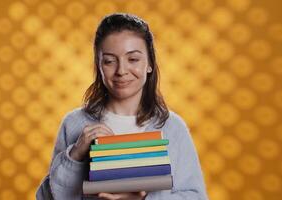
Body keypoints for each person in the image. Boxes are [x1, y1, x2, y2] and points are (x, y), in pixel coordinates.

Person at [36, 13, 208, 200]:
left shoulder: (172, 127)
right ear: (98, 66)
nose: (121, 71)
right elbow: (46, 197)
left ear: (149, 63)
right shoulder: (74, 124)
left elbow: (196, 196)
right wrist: (76, 155)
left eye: (133, 59)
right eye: (109, 61)